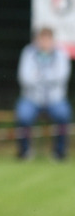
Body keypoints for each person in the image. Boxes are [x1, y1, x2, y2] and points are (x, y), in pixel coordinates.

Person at [15, 27, 71, 160]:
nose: (44, 43)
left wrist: (39, 77)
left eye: (47, 39)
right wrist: (48, 77)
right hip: (32, 99)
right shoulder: (28, 52)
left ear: (52, 40)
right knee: (23, 115)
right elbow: (24, 78)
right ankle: (25, 151)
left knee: (63, 114)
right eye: (42, 39)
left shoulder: (61, 53)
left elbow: (61, 77)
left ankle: (59, 152)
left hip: (55, 99)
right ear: (37, 40)